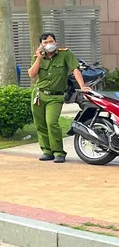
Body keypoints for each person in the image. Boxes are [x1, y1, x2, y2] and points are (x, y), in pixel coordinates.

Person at [28, 32, 88, 163]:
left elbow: (75, 69)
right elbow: (32, 74)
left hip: (56, 96)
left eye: (51, 42)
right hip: (39, 94)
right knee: (40, 124)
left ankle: (59, 152)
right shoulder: (38, 56)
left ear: (55, 42)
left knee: (51, 122)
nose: (49, 45)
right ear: (41, 45)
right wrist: (38, 58)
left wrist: (82, 86)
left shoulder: (65, 54)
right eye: (45, 43)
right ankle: (46, 151)